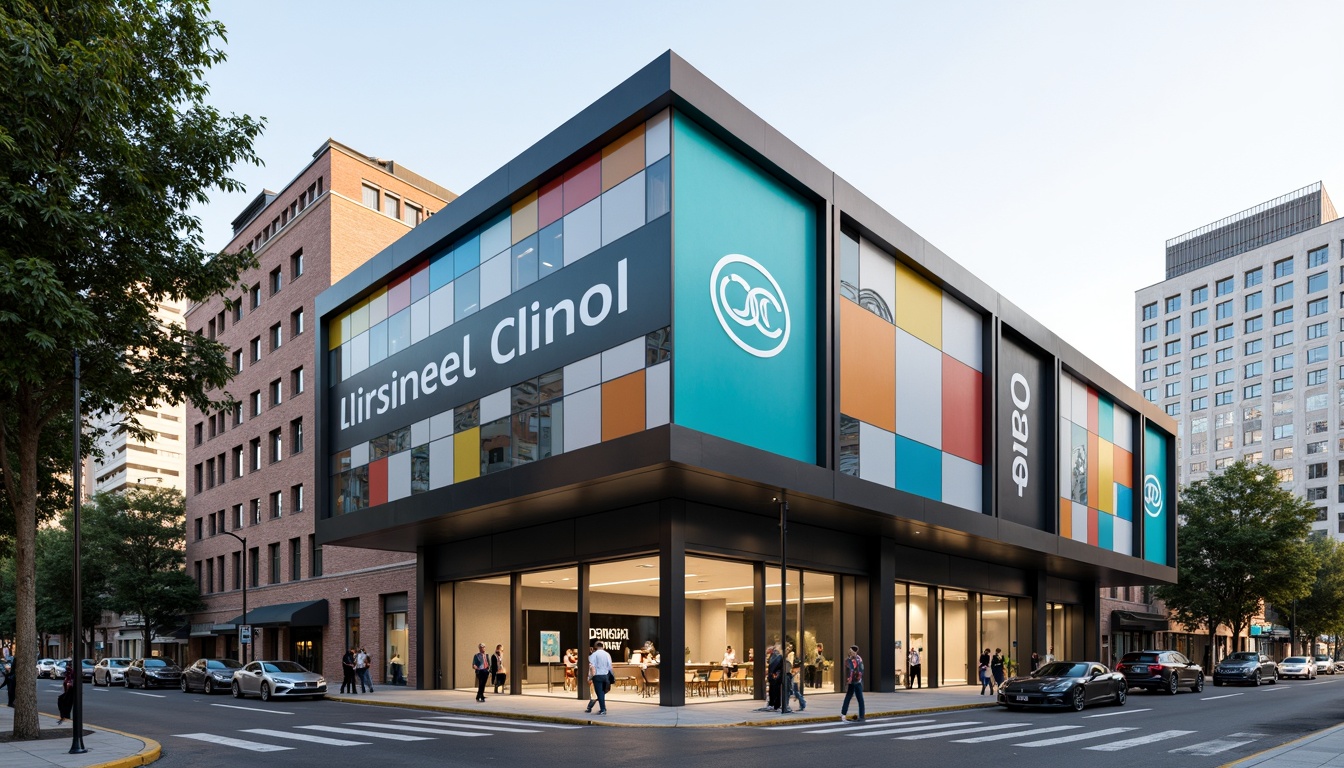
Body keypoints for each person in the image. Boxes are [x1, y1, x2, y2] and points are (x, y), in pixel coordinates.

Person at [585, 640, 613, 715]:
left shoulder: (594, 655)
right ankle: (603, 708)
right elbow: (610, 666)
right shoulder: (607, 654)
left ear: (596, 647)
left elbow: (592, 666)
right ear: (603, 647)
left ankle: (603, 709)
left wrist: (589, 677)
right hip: (605, 675)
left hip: (597, 675)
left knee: (599, 692)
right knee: (603, 692)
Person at [840, 645, 865, 722]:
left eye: (851, 651)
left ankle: (844, 714)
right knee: (857, 698)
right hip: (855, 681)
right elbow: (859, 670)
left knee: (854, 697)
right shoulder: (852, 659)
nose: (850, 652)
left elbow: (857, 670)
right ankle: (860, 715)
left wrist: (850, 680)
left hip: (855, 681)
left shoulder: (853, 659)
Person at [786, 643, 806, 712]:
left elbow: (790, 664)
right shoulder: (791, 654)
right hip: (793, 674)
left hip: (793, 675)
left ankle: (802, 703)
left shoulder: (791, 654)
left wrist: (791, 672)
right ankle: (802, 703)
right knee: (794, 690)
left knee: (794, 690)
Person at [766, 644, 783, 710]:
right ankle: (774, 704)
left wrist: (772, 674)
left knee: (775, 690)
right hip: (775, 676)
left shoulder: (776, 656)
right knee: (774, 690)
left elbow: (773, 666)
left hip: (775, 676)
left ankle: (774, 704)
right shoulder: (774, 656)